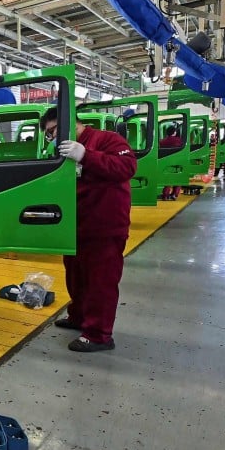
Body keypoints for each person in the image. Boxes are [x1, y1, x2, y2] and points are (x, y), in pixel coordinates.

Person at [42, 106, 136, 352]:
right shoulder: (63, 151)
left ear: (70, 123)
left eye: (53, 131)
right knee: (76, 276)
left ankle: (99, 334)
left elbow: (126, 167)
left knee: (100, 281)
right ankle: (79, 317)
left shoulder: (107, 140)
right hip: (76, 227)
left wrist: (86, 155)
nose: (52, 138)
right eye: (48, 135)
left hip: (104, 226)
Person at [158, 125, 184, 200]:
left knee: (168, 179)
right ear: (174, 132)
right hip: (178, 162)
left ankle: (165, 195)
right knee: (178, 178)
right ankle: (174, 194)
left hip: (166, 162)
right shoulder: (179, 140)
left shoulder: (162, 141)